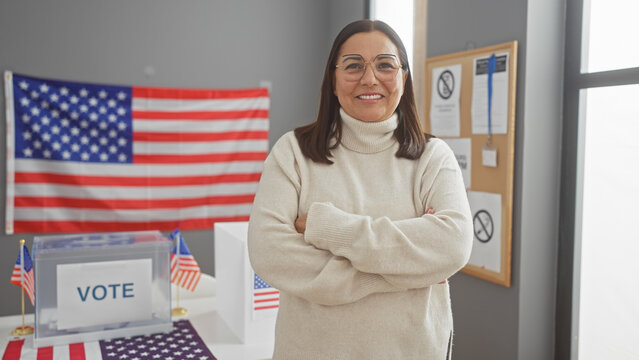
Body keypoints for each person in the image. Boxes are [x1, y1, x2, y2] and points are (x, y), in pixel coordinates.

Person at [248, 19, 473, 359]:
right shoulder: (292, 152)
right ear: (333, 82)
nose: (370, 79)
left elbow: (453, 244)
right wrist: (404, 272)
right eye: (353, 66)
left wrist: (328, 227)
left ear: (403, 77)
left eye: (385, 65)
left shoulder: (433, 157)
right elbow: (268, 252)